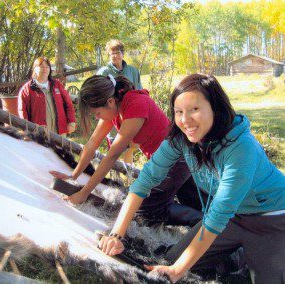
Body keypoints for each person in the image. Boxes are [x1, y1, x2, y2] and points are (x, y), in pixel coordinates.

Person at [99, 74, 285, 283]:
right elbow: (144, 181)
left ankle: (252, 255)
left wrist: (177, 271)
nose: (185, 120)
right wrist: (116, 235)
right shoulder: (181, 139)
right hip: (233, 218)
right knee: (171, 260)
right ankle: (234, 257)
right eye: (179, 112)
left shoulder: (242, 148)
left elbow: (218, 215)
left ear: (216, 108)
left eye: (194, 110)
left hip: (272, 218)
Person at [50, 74, 203, 226]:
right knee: (193, 200)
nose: (97, 117)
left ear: (110, 101)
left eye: (97, 113)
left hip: (177, 159)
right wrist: (74, 175)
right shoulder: (114, 108)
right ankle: (207, 226)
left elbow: (112, 155)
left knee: (146, 210)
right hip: (168, 159)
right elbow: (91, 144)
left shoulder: (136, 104)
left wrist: (84, 193)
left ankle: (204, 224)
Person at [97, 39, 142, 163]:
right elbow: (99, 96)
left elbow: (139, 92)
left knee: (129, 146)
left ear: (123, 53)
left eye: (117, 52)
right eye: (112, 53)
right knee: (114, 148)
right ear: (108, 55)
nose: (115, 55)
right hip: (112, 114)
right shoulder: (103, 72)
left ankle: (129, 174)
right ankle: (113, 175)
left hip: (130, 113)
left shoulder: (133, 71)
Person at [18, 57, 76, 135]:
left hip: (59, 132)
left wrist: (71, 122)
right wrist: (26, 131)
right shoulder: (27, 89)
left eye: (47, 67)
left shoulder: (57, 85)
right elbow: (22, 112)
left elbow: (68, 104)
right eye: (41, 67)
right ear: (35, 69)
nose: (45, 69)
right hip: (39, 134)